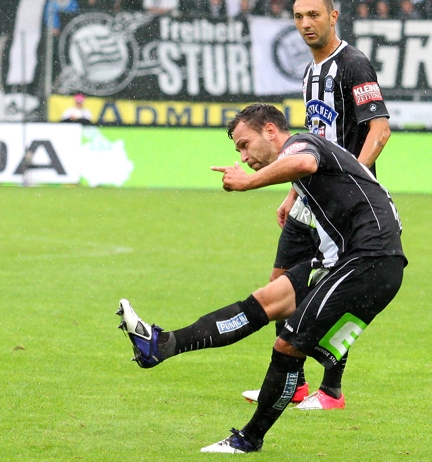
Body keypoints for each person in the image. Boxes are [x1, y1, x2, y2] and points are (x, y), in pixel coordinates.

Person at [116, 103, 406, 453]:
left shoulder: (299, 143)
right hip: (344, 259)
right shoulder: (304, 152)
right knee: (264, 301)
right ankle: (160, 346)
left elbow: (304, 161)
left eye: (244, 143)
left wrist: (247, 182)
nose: (243, 154)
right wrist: (290, 196)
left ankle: (249, 440)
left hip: (371, 261)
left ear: (271, 131)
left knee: (288, 345)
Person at [241, 0, 393, 411]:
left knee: (330, 287)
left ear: (333, 17)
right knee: (279, 284)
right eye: (299, 16)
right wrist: (293, 190)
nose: (306, 24)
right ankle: (297, 383)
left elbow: (380, 129)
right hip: (311, 194)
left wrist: (353, 182)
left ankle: (332, 391)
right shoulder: (311, 72)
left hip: (345, 204)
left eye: (314, 15)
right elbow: (315, 136)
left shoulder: (354, 64)